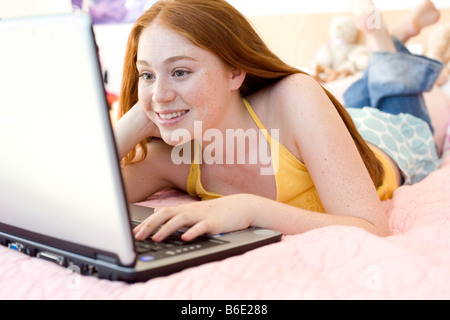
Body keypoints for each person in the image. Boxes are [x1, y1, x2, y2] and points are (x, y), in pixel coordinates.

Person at [114, 0, 442, 243]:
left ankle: (387, 41)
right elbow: (79, 193)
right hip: (325, 130)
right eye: (147, 74)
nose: (160, 93)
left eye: (180, 71)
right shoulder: (172, 158)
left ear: (236, 72)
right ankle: (384, 52)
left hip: (387, 142)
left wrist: (251, 209)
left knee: (393, 97)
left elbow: (372, 227)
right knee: (360, 90)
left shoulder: (295, 95)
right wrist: (143, 115)